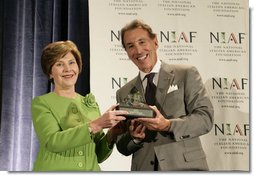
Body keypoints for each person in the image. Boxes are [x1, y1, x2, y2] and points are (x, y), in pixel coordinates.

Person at [115, 19, 214, 171]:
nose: (138, 50)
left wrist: (168, 125)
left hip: (184, 168)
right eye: (130, 46)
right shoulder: (124, 92)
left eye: (142, 42)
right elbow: (122, 147)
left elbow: (205, 119)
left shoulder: (185, 74)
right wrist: (134, 137)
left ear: (155, 41)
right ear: (127, 52)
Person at [31, 40, 128, 171]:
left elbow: (98, 155)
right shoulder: (41, 103)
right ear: (50, 72)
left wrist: (112, 134)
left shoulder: (89, 104)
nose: (68, 69)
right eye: (60, 64)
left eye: (71, 62)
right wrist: (95, 125)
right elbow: (52, 142)